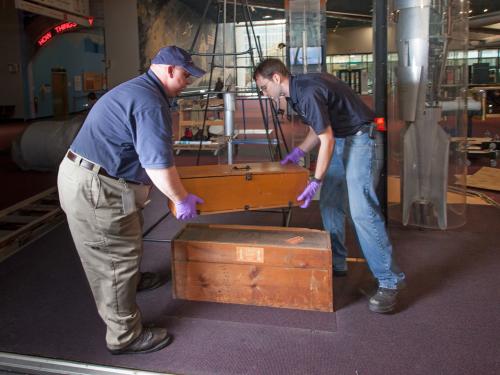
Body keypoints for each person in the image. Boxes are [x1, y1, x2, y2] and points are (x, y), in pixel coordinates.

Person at [57, 46, 206, 354]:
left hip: (96, 177)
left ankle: (133, 280)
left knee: (127, 237)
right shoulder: (150, 103)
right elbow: (157, 165)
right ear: (167, 70)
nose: (189, 80)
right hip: (97, 187)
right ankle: (124, 336)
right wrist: (181, 199)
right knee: (114, 261)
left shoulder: (139, 89)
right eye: (185, 74)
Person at [253, 58, 405, 314]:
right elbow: (318, 128)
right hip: (344, 137)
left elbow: (327, 140)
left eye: (264, 87)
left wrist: (316, 180)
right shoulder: (297, 91)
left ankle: (389, 281)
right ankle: (337, 262)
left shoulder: (307, 91)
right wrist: (298, 152)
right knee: (330, 202)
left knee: (361, 210)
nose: (265, 94)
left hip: (361, 138)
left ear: (276, 78)